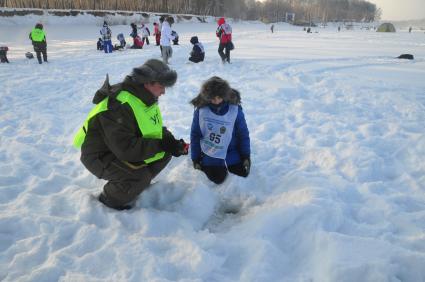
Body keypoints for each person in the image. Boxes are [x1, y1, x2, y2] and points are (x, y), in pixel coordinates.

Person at [73, 59, 189, 210]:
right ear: (148, 82)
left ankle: (134, 185)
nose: (164, 92)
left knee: (164, 153)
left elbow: (154, 128)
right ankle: (110, 199)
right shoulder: (119, 105)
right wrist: (161, 144)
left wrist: (172, 142)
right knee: (139, 176)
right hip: (99, 155)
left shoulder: (145, 98)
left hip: (118, 148)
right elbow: (126, 149)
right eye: (161, 86)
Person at [190, 76, 251, 184]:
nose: (216, 101)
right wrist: (195, 158)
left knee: (242, 177)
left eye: (219, 97)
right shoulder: (201, 111)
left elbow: (243, 133)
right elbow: (195, 135)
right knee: (217, 180)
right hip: (210, 153)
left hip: (231, 152)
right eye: (213, 98)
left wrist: (245, 155)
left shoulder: (234, 110)